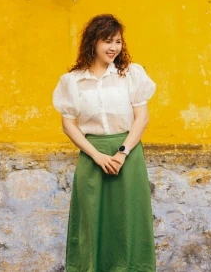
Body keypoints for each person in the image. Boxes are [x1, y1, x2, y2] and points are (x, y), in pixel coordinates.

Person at [53, 14, 157, 272]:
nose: (113, 47)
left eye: (118, 42)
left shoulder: (131, 74)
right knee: (91, 222)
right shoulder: (72, 81)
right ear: (92, 42)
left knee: (129, 220)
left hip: (128, 156)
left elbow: (141, 118)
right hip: (92, 157)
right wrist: (97, 156)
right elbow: (69, 125)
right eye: (107, 41)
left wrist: (122, 153)